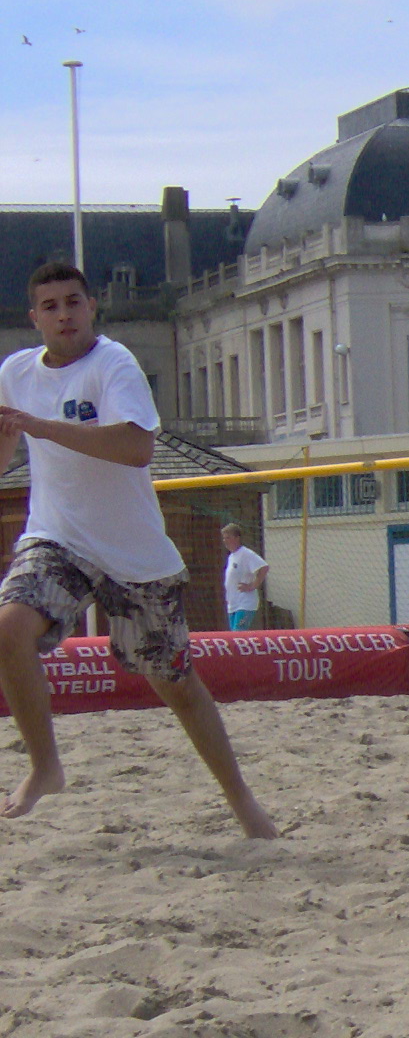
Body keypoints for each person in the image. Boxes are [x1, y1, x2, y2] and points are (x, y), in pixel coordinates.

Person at [0, 263, 276, 837]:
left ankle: (245, 805)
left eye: (72, 302)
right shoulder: (16, 373)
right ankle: (45, 766)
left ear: (92, 306)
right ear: (34, 319)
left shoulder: (113, 363)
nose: (63, 315)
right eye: (49, 306)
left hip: (134, 557)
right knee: (8, 628)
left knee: (178, 688)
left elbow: (136, 447)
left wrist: (41, 427)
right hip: (57, 535)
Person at [219, 523, 267, 632]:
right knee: (233, 636)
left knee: (238, 633)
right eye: (224, 538)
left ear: (237, 538)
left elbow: (264, 567)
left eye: (228, 538)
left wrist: (252, 586)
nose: (225, 541)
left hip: (244, 603)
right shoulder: (231, 556)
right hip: (233, 604)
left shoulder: (246, 554)